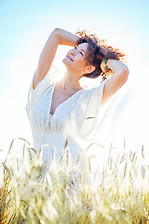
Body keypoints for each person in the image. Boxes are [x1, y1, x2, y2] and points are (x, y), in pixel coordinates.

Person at [26, 28, 129, 172]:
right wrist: (88, 45)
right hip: (33, 178)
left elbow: (123, 72)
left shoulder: (87, 99)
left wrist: (102, 58)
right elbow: (57, 35)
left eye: (80, 53)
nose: (72, 51)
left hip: (68, 182)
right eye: (74, 48)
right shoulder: (43, 85)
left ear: (88, 68)